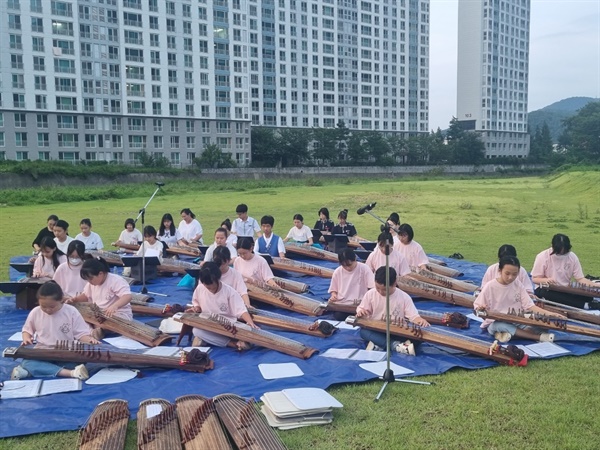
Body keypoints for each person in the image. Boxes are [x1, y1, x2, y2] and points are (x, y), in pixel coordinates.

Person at [10, 281, 99, 381]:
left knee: (77, 362)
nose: (48, 310)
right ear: (38, 301)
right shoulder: (35, 312)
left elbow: (81, 334)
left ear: (61, 300)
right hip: (43, 352)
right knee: (27, 362)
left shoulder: (71, 311)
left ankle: (28, 372)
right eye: (43, 306)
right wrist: (26, 339)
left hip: (66, 352)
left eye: (52, 306)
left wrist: (90, 340)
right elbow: (27, 330)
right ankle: (71, 373)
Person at [474, 256, 565, 343]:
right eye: (507, 273)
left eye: (514, 274)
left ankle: (508, 335)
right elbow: (478, 307)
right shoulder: (490, 286)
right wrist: (481, 309)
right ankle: (537, 337)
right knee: (500, 326)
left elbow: (529, 306)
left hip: (518, 319)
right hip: (496, 322)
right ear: (500, 270)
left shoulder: (517, 284)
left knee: (543, 323)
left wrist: (551, 314)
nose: (510, 277)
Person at [356, 266, 429, 354]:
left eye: (384, 289)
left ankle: (379, 344)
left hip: (397, 331)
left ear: (394, 283)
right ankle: (396, 346)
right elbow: (362, 309)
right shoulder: (370, 294)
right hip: (377, 329)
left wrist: (420, 320)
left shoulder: (404, 297)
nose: (380, 292)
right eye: (377, 288)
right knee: (363, 332)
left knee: (418, 338)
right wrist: (361, 312)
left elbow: (413, 316)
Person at [187, 262, 258, 350]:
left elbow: (241, 310)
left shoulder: (230, 292)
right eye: (206, 286)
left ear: (218, 279)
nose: (209, 288)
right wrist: (196, 308)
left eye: (211, 285)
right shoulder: (200, 288)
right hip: (209, 323)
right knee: (197, 331)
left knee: (250, 332)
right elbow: (196, 303)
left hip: (228, 325)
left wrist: (250, 323)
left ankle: (220, 340)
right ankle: (232, 344)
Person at [69, 257, 133, 339]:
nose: (89, 282)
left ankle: (96, 330)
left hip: (117, 314)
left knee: (109, 321)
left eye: (91, 278)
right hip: (99, 315)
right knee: (77, 316)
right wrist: (75, 299)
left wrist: (115, 306)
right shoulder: (91, 284)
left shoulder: (115, 280)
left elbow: (127, 296)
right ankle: (95, 331)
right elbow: (85, 295)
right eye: (88, 280)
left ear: (100, 274)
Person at [531, 233, 599, 309]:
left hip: (565, 288)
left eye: (564, 252)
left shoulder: (572, 257)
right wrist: (547, 280)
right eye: (558, 252)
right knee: (556, 296)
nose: (562, 254)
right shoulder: (542, 256)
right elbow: (535, 279)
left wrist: (596, 285)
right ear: (552, 246)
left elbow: (580, 279)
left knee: (587, 296)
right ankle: (586, 305)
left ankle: (588, 302)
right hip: (546, 288)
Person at [328, 249, 375, 320]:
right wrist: (334, 295)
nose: (347, 268)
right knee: (339, 316)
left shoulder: (364, 268)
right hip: (343, 304)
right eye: (344, 266)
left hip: (360, 304)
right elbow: (333, 289)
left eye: (349, 265)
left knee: (362, 317)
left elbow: (372, 288)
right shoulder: (338, 271)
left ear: (355, 259)